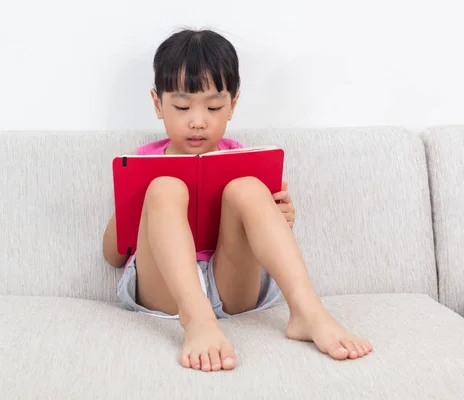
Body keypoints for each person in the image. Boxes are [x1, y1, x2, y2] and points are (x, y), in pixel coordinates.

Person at [102, 28, 372, 372]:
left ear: (233, 105)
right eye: (182, 106)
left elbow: (260, 233)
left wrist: (281, 216)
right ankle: (197, 319)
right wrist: (130, 204)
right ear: (158, 104)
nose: (198, 121)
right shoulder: (142, 163)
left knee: (248, 188)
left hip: (232, 282)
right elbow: (112, 255)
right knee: (164, 187)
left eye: (214, 107)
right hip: (167, 290)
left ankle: (308, 312)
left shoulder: (242, 161)